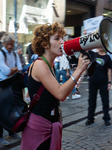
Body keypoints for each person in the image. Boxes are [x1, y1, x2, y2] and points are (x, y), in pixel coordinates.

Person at [20, 22, 90, 150]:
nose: (62, 42)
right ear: (44, 43)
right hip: (39, 130)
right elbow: (60, 94)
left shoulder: (48, 64)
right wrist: (79, 70)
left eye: (62, 38)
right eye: (57, 38)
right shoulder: (40, 65)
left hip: (46, 126)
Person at [0, 33, 22, 145]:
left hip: (12, 85)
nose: (10, 46)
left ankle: (11, 131)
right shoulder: (1, 53)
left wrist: (12, 70)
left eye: (11, 44)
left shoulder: (14, 53)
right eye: (8, 44)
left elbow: (20, 68)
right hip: (2, 86)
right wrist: (14, 69)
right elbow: (6, 71)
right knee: (1, 111)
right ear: (3, 44)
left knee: (11, 110)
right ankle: (0, 136)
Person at [85, 48, 112, 126]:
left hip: (103, 82)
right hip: (93, 81)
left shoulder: (107, 57)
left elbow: (109, 70)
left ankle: (106, 118)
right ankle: (90, 118)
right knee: (91, 101)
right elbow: (85, 49)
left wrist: (109, 82)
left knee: (105, 101)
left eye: (101, 45)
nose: (100, 46)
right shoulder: (92, 54)